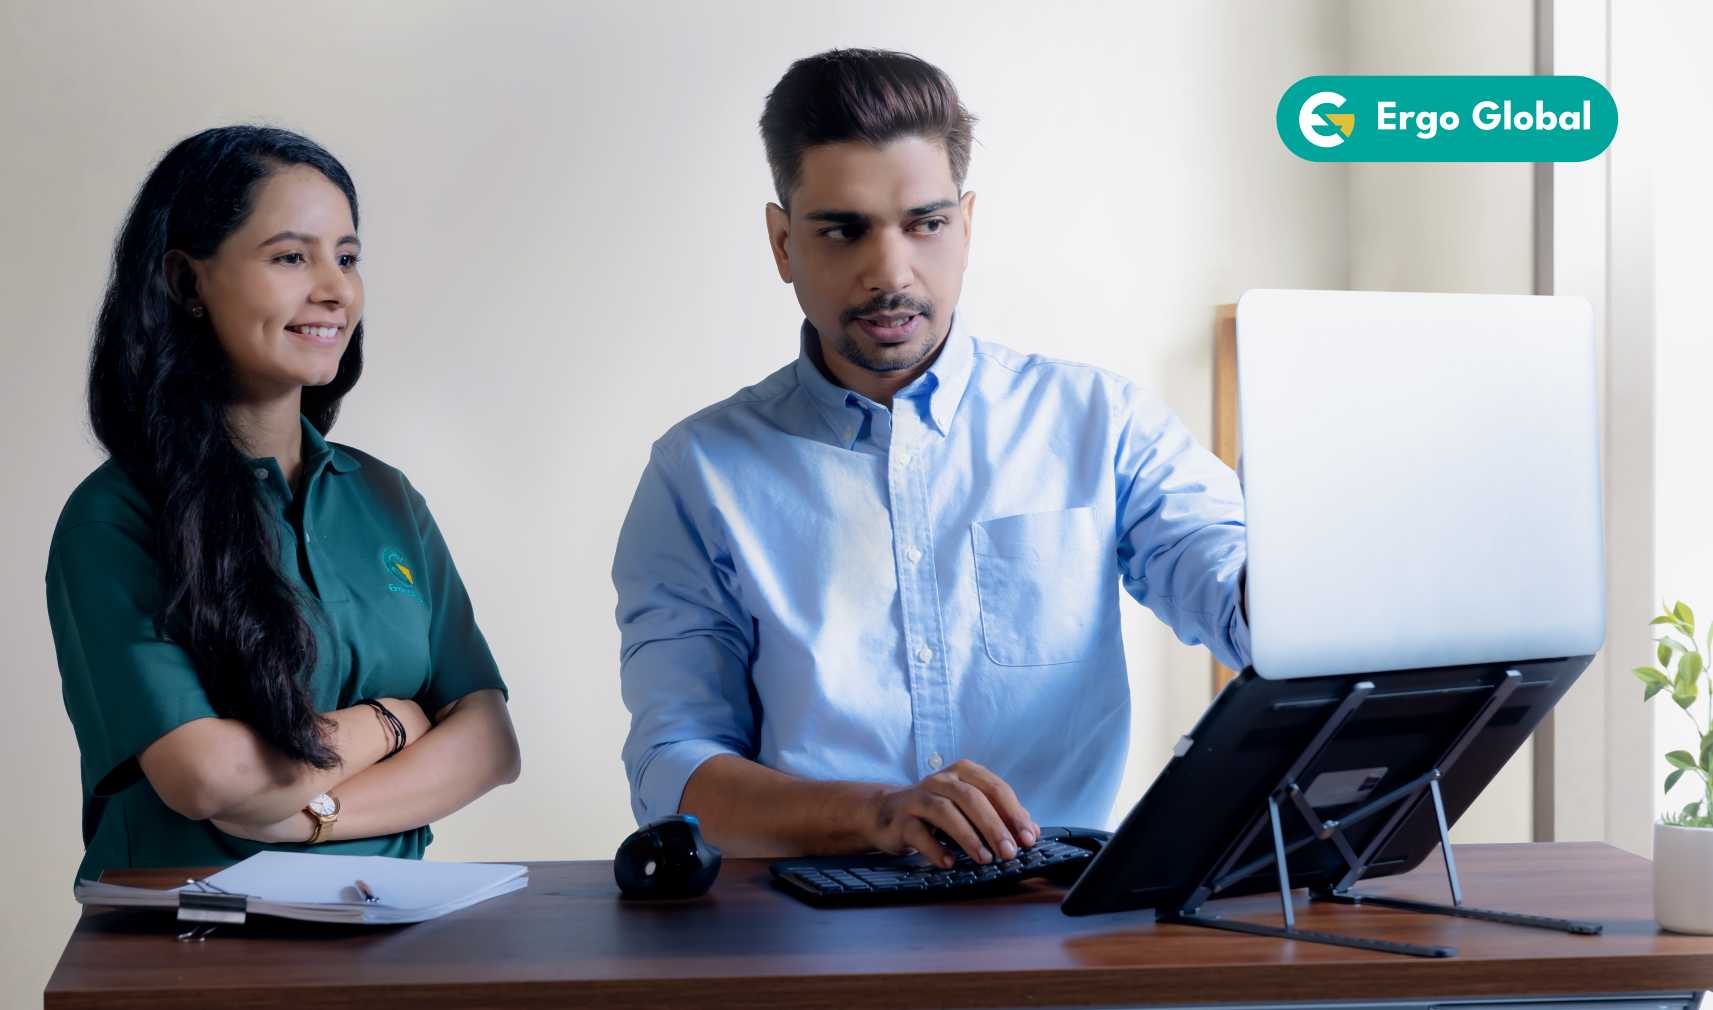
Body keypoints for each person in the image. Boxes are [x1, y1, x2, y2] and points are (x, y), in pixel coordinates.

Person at [614, 50, 1247, 869]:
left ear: (967, 224)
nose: (891, 272)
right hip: (806, 943)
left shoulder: (1101, 422)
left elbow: (1236, 600)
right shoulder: (697, 473)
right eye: (843, 230)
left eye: (926, 224)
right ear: (780, 243)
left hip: (1058, 922)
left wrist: (1296, 582)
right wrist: (876, 815)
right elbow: (674, 774)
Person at [47, 126, 520, 883]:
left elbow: (491, 741)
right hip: (188, 949)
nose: (333, 288)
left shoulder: (386, 497)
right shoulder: (116, 518)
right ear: (186, 281)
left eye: (348, 256)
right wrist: (395, 720)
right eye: (291, 257)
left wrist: (308, 819)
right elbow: (206, 778)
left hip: (391, 930)